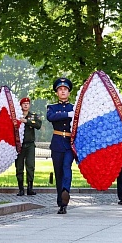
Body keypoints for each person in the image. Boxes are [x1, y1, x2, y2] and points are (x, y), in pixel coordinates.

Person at [47, 78, 74, 214]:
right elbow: (51, 117)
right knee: (58, 173)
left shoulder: (74, 107)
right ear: (57, 93)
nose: (63, 91)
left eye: (65, 90)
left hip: (69, 143)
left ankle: (65, 192)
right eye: (60, 90)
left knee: (66, 167)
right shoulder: (52, 107)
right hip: (57, 143)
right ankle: (61, 203)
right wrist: (67, 115)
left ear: (68, 92)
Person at [15, 97, 42, 196]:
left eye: (27, 103)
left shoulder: (33, 116)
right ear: (21, 105)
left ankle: (30, 188)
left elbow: (38, 125)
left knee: (30, 166)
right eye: (24, 104)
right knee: (19, 167)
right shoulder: (17, 116)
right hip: (20, 145)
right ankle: (21, 188)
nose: (26, 105)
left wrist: (27, 122)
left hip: (30, 144)